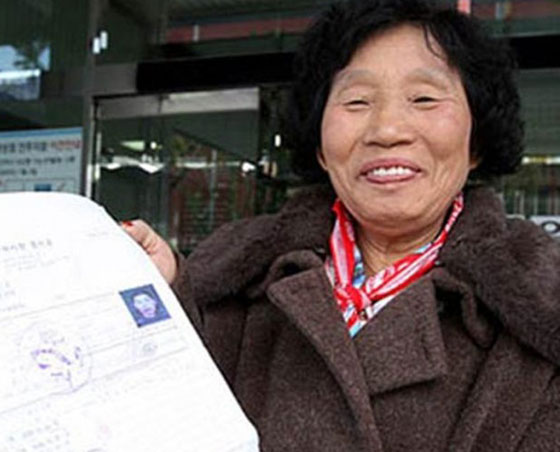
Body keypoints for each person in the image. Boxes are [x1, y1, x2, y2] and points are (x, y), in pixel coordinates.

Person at [123, 0, 560, 450]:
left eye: (424, 99)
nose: (387, 129)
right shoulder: (232, 280)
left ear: (476, 141)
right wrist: (160, 296)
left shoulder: (541, 303)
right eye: (357, 101)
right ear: (320, 145)